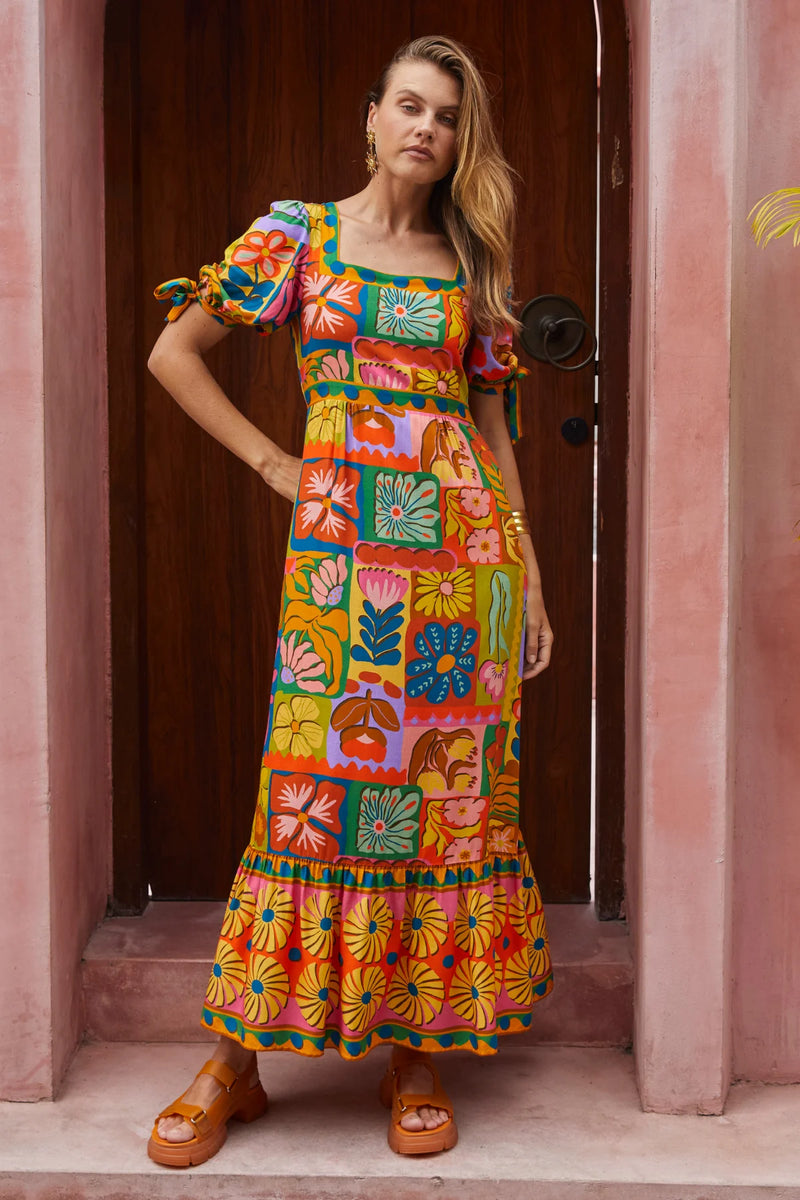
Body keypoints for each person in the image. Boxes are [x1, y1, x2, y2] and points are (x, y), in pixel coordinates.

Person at [146, 34, 554, 1168]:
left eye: (446, 117)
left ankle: (414, 1050)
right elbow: (174, 353)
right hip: (342, 575)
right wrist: (278, 466)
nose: (425, 129)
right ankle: (235, 1061)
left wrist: (522, 577)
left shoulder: (468, 268)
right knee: (311, 788)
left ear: (459, 141)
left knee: (442, 803)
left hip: (460, 567)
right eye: (408, 107)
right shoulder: (299, 236)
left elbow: (490, 431)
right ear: (369, 117)